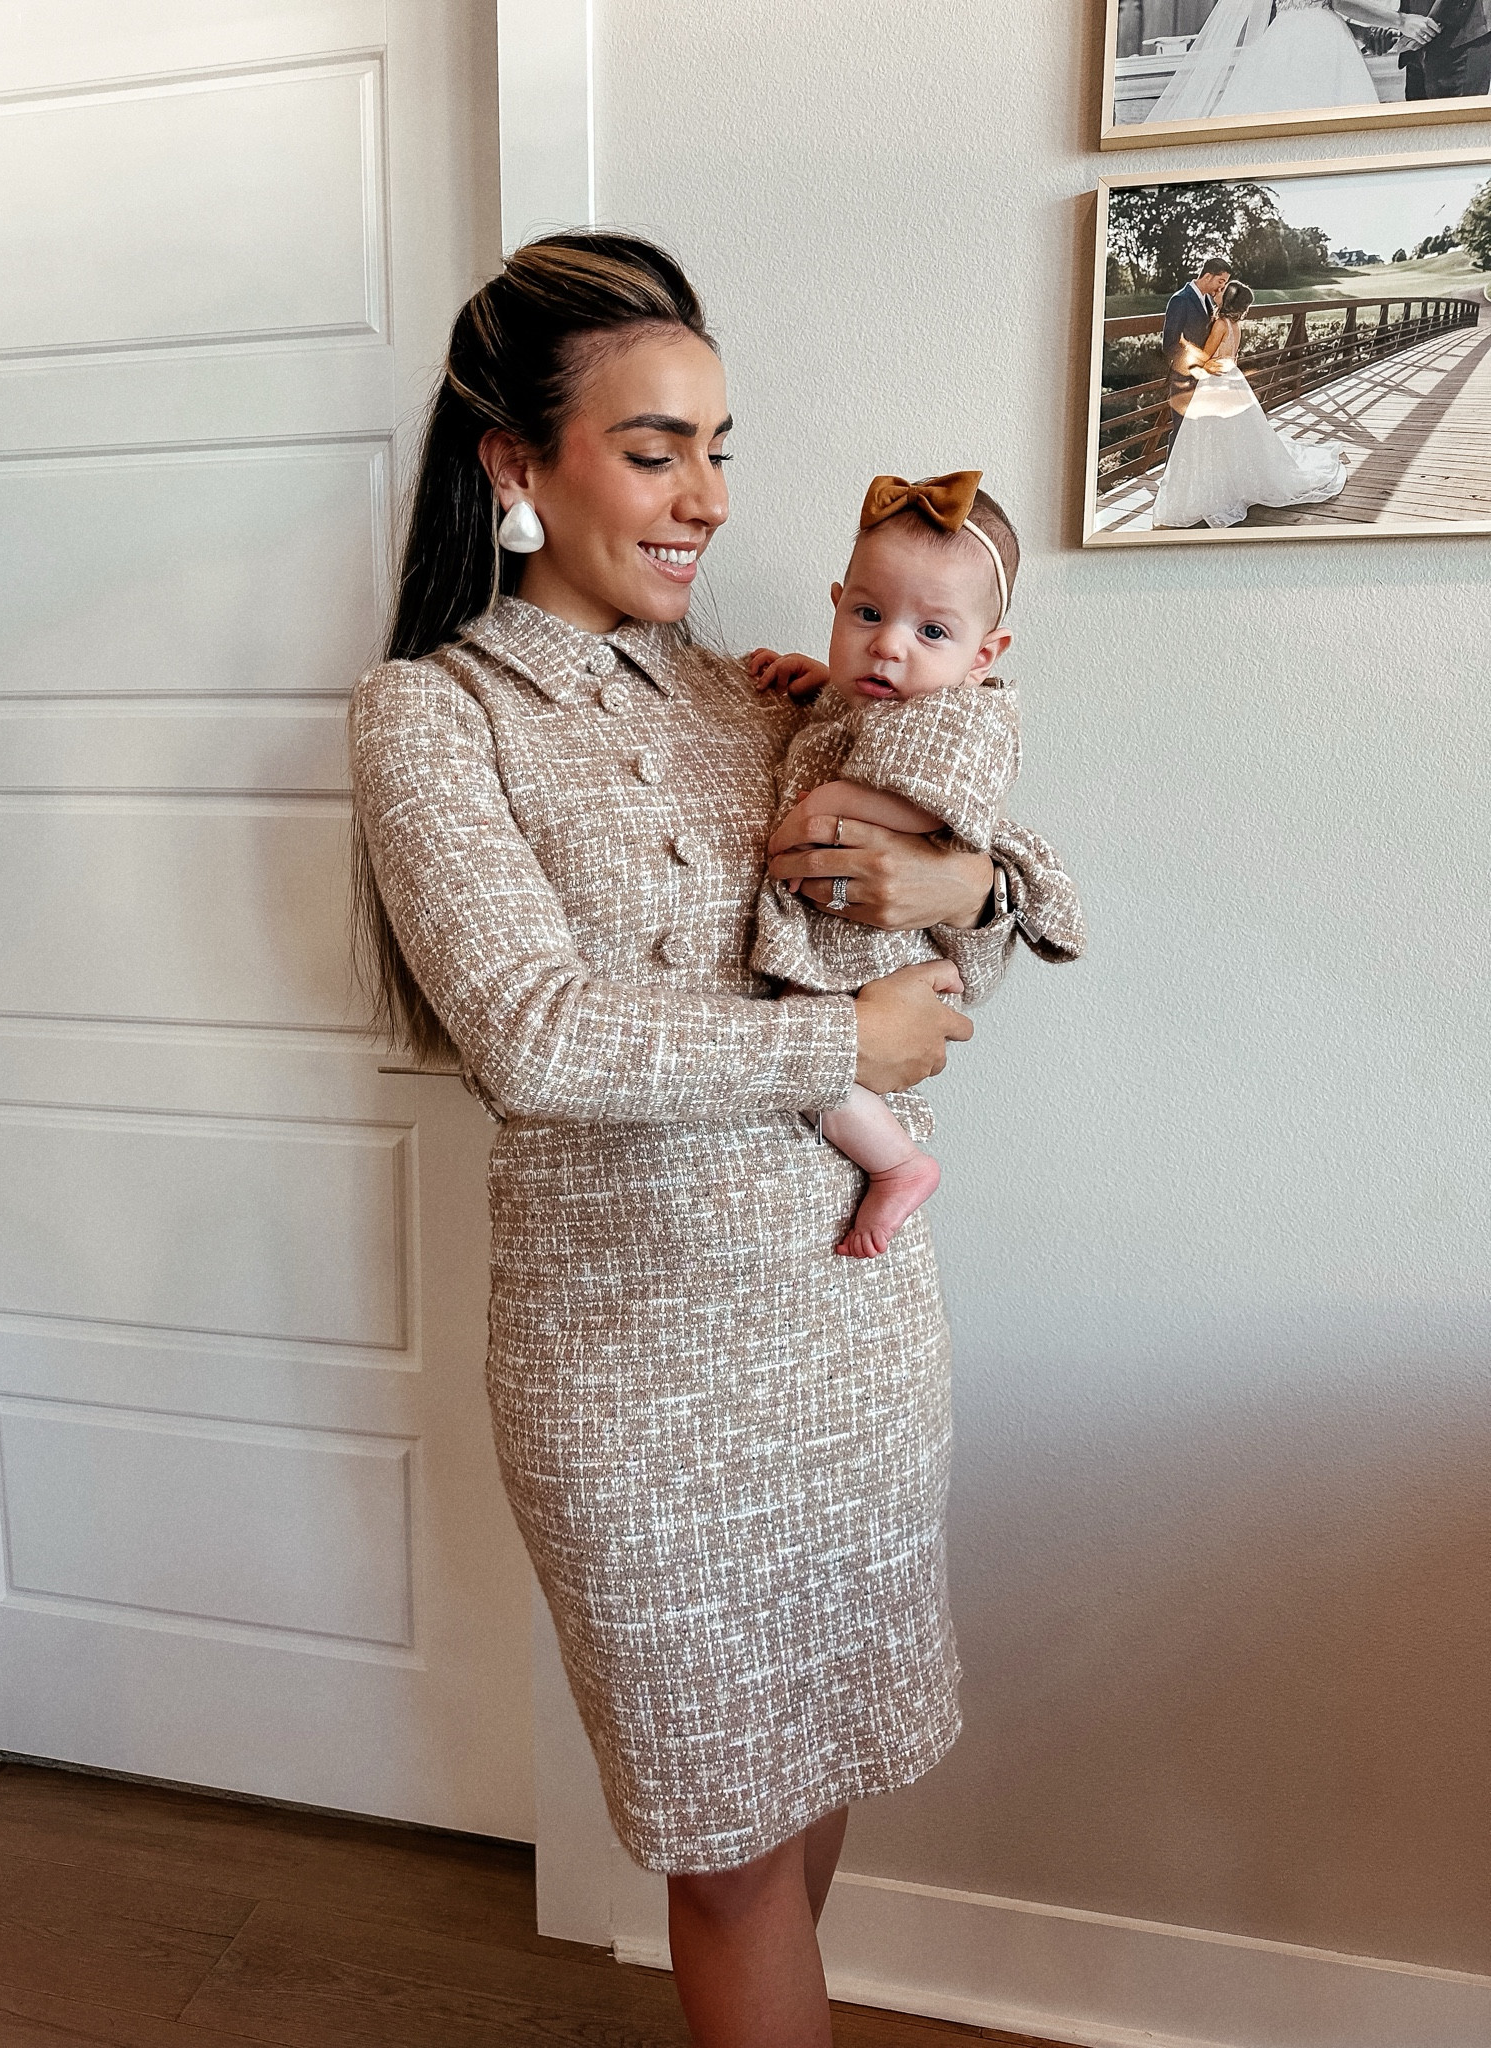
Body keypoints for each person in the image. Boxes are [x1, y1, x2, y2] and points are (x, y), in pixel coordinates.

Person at [347, 230, 1082, 2048]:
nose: (704, 497)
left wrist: (965, 871)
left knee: (812, 1772)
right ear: (516, 466)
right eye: (655, 446)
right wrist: (854, 1037)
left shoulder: (749, 690)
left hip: (845, 1331)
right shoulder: (431, 718)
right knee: (724, 1841)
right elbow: (534, 1035)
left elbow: (1011, 892)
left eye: (720, 446)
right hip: (639, 1372)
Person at [745, 470, 1079, 1260]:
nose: (888, 645)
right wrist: (819, 680)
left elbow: (931, 803)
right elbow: (861, 723)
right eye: (867, 614)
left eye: (932, 632)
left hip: (873, 941)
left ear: (983, 654)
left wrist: (828, 803)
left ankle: (897, 1164)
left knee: (815, 1040)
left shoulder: (968, 716)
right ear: (837, 605)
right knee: (815, 1037)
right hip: (849, 925)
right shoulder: (882, 696)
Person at [1154, 277, 1349, 529]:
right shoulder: (1235, 325)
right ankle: (1234, 480)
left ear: (1228, 301)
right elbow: (1230, 356)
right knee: (1235, 436)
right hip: (1233, 380)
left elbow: (1205, 357)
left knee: (1210, 436)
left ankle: (1217, 487)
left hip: (1216, 383)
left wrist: (1185, 345)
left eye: (1224, 291)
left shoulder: (1220, 325)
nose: (1219, 291)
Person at [1152, 0, 1440, 122]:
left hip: (1283, 38)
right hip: (1318, 44)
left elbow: (1304, 6)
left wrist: (1360, 32)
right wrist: (1401, 20)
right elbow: (1336, 2)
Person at [1164, 258, 1231, 450]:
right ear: (1207, 276)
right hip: (1185, 378)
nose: (1221, 288)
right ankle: (1171, 479)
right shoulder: (1180, 300)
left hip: (1204, 379)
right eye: (1221, 281)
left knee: (1200, 433)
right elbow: (1170, 343)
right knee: (1181, 431)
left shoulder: (1208, 300)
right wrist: (1200, 362)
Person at [1400, 0, 1491, 100]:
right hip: (1417, 32)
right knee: (1418, 111)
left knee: (1456, 112)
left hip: (1459, 37)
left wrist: (1426, 25)